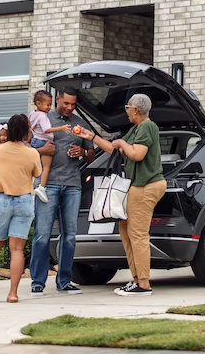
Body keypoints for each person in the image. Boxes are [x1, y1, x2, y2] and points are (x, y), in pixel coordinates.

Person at [72, 93, 164, 296]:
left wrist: (122, 143)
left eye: (128, 107)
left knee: (138, 234)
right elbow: (115, 149)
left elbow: (136, 154)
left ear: (136, 109)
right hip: (137, 186)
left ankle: (143, 283)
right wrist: (92, 137)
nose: (126, 110)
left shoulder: (148, 126)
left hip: (146, 185)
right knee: (125, 230)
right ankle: (136, 279)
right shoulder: (135, 129)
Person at [28, 87, 94, 296]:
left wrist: (82, 152)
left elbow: (91, 154)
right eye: (66, 103)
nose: (69, 108)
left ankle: (64, 281)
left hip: (73, 185)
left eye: (73, 105)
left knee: (70, 235)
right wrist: (42, 150)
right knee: (42, 234)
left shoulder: (80, 124)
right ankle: (37, 282)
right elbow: (25, 147)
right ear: (58, 99)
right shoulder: (42, 119)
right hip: (46, 186)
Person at [0, 113, 43, 303]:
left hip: (1, 199)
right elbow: (37, 173)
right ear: (26, 132)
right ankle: (12, 293)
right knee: (17, 249)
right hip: (23, 201)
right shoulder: (32, 153)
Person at [28, 89, 75, 202]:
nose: (49, 107)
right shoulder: (43, 116)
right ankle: (42, 187)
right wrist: (61, 128)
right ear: (38, 103)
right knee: (47, 167)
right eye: (48, 105)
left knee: (39, 166)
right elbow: (47, 129)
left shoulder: (32, 114)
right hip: (43, 141)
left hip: (35, 140)